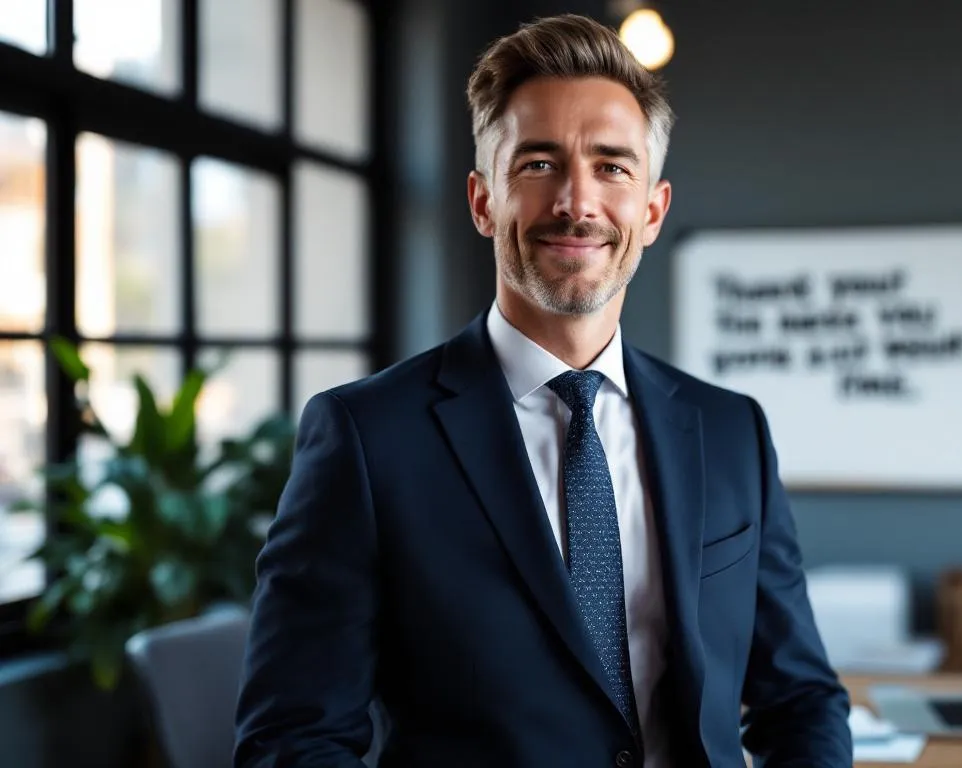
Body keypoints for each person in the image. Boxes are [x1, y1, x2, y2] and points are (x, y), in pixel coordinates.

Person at [233, 13, 851, 768]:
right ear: (482, 200)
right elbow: (292, 739)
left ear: (651, 210)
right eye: (537, 164)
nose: (576, 202)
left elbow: (800, 701)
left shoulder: (730, 431)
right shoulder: (366, 439)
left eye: (612, 167)